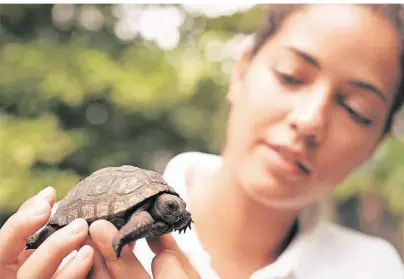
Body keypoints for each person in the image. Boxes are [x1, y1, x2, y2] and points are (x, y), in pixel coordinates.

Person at [1, 3, 404, 279]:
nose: (310, 121)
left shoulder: (375, 269)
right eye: (291, 75)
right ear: (241, 71)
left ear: (377, 142)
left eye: (356, 109)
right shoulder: (66, 254)